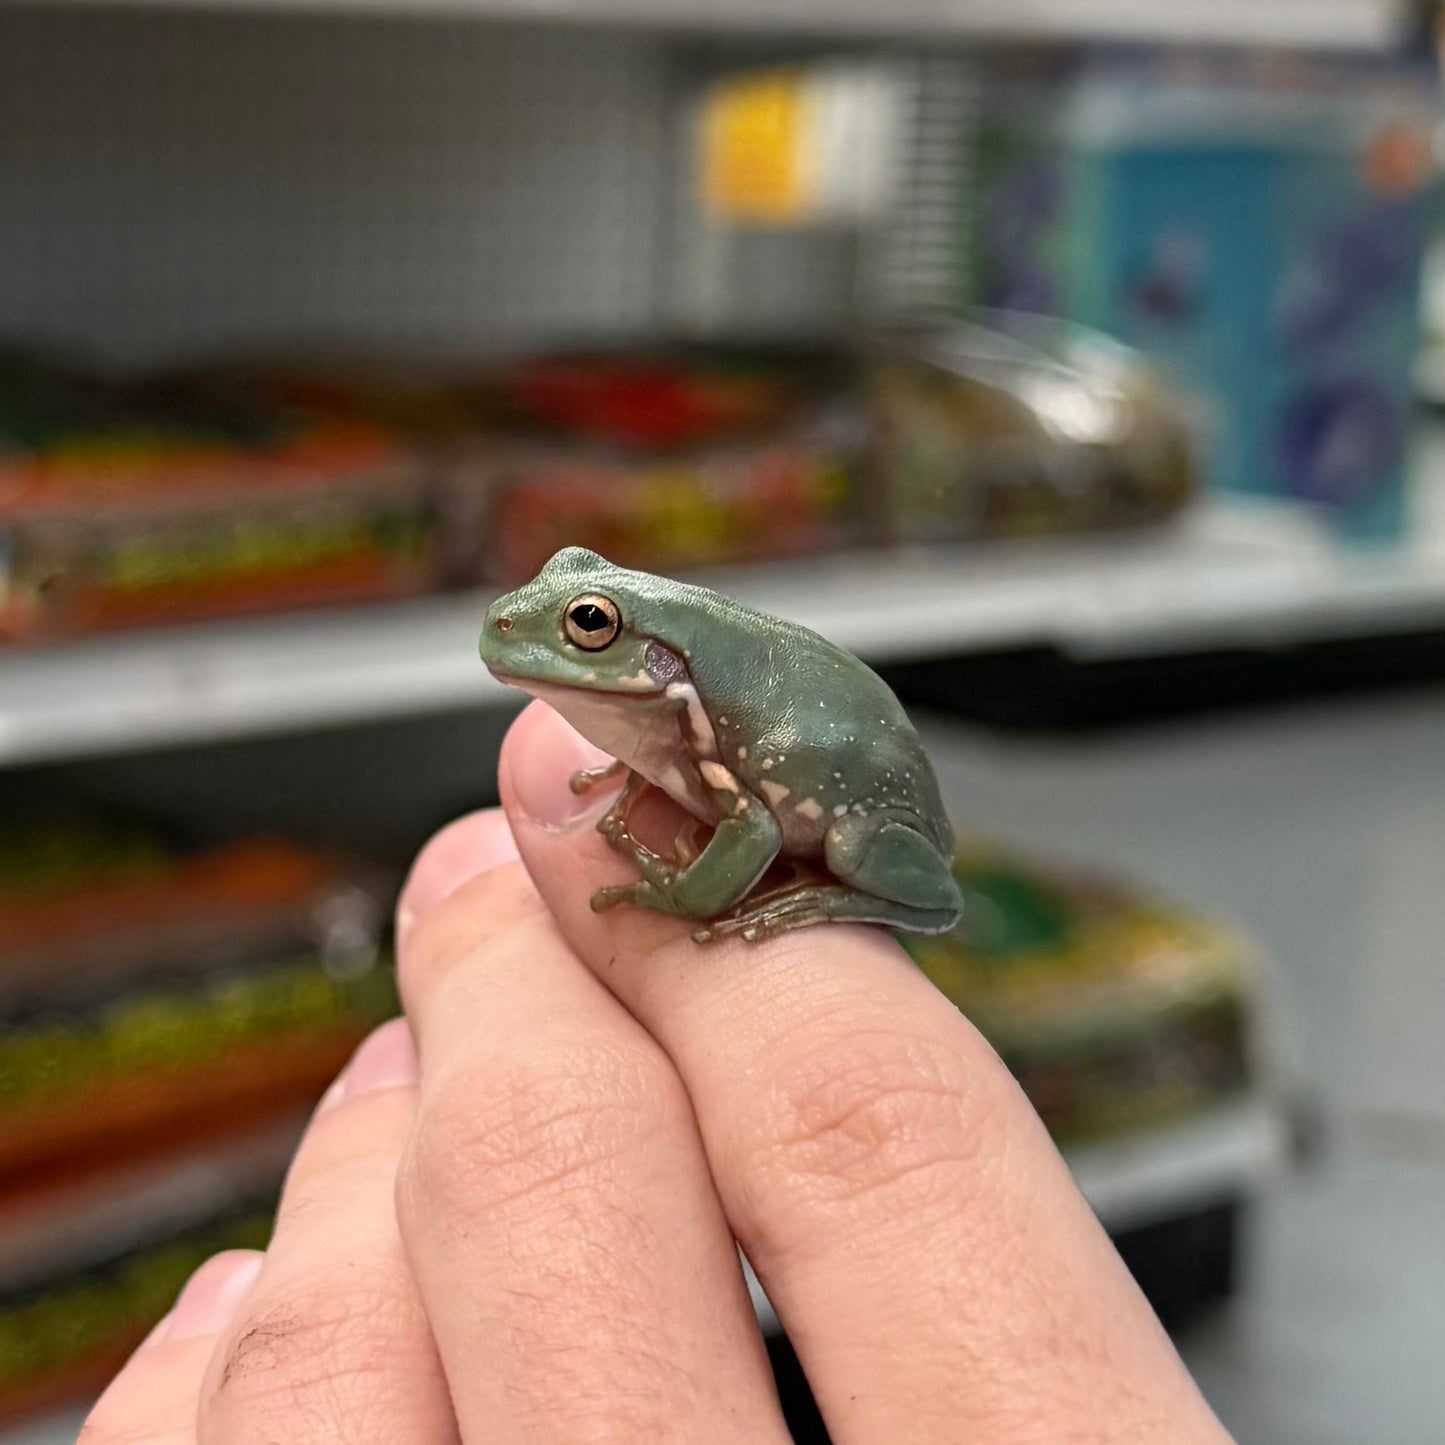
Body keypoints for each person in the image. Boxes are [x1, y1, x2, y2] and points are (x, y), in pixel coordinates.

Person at [81, 702, 1233, 1443]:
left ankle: (827, 886)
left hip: (870, 832)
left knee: (864, 1111)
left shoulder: (709, 733)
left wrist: (680, 887)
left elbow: (739, 834)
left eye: (585, 626)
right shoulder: (664, 718)